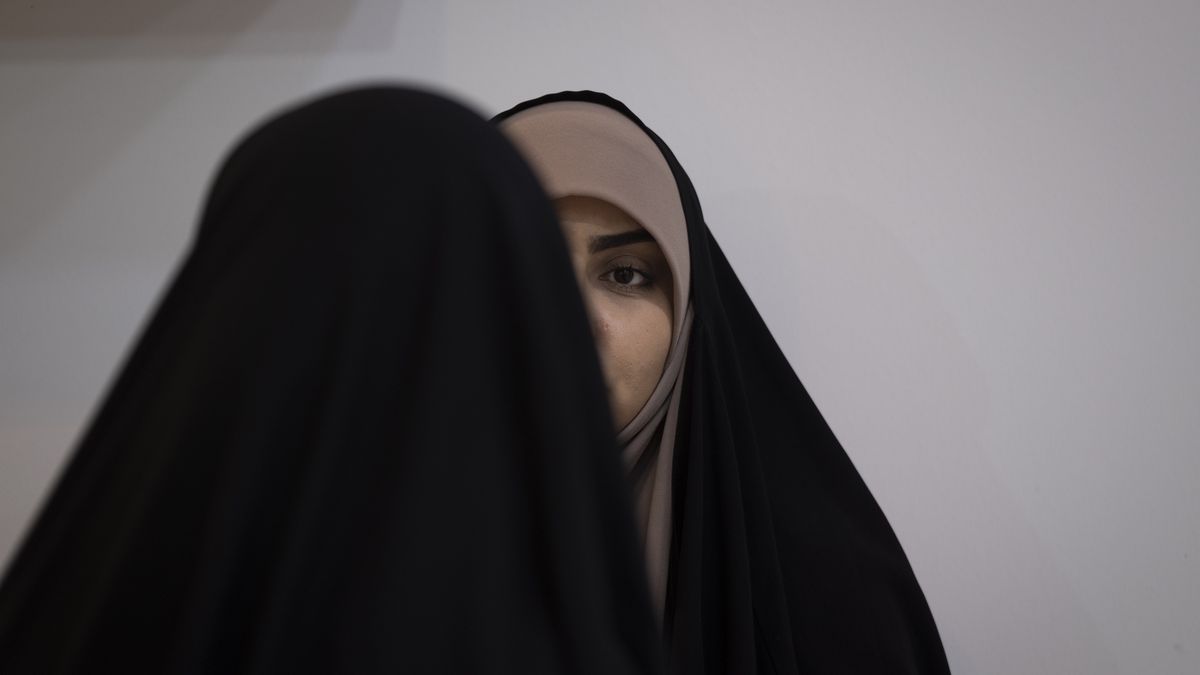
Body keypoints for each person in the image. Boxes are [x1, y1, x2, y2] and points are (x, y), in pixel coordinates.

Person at [0, 85, 952, 674]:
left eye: (628, 273)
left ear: (693, 315)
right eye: (525, 266)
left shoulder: (834, 607)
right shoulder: (299, 547)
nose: (570, 318)